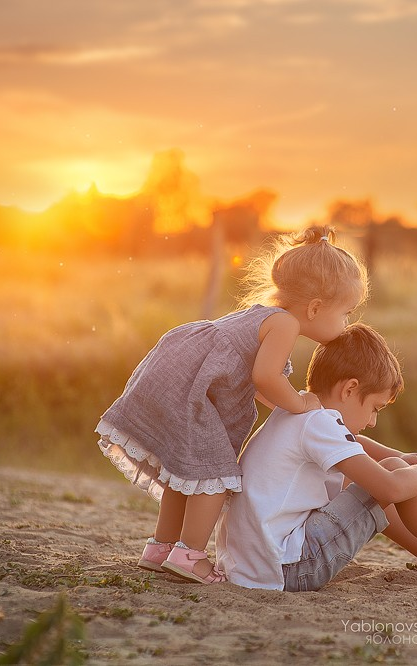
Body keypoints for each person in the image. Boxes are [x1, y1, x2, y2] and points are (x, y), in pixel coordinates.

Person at [96, 225, 366, 584]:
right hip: (188, 388)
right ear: (315, 308)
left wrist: (284, 406)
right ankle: (190, 556)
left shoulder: (265, 316)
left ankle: (161, 547)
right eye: (346, 313)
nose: (347, 323)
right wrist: (300, 404)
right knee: (216, 474)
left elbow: (254, 383)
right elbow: (266, 379)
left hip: (175, 375)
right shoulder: (284, 325)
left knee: (186, 472)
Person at [216, 322, 417, 590]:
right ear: (349, 389)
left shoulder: (301, 408)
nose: (373, 420)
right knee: (391, 477)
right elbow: (389, 489)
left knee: (383, 469)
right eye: (374, 408)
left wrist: (400, 455)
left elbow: (351, 442)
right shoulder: (319, 423)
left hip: (252, 566)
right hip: (292, 566)